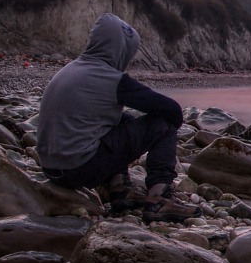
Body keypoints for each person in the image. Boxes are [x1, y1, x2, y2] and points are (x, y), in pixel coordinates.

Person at [36, 13, 197, 222]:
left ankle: (119, 190)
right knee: (163, 124)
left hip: (51, 168)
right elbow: (172, 110)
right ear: (120, 50)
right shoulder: (110, 79)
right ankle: (160, 198)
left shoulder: (71, 69)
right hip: (79, 168)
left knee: (124, 120)